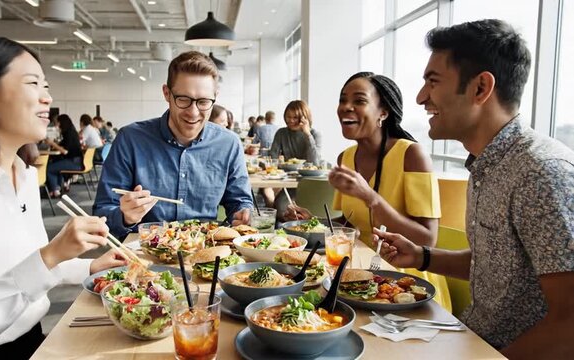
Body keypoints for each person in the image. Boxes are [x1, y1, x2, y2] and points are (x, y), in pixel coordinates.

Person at [373, 19, 574, 357]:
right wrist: (422, 256)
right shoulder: (487, 164)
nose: (421, 97)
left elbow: (569, 325)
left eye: (432, 82)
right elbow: (498, 265)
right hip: (469, 339)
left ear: (481, 88)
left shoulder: (541, 173)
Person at [0, 36, 124, 359]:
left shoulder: (21, 174)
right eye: (33, 83)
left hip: (33, 339)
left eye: (45, 86)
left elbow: (25, 267)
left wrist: (89, 265)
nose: (47, 98)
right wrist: (52, 253)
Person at [283, 73, 451, 312]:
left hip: (405, 284)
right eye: (342, 100)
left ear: (383, 112)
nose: (346, 107)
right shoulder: (345, 158)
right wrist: (312, 221)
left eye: (359, 101)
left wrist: (371, 198)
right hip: (359, 276)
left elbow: (427, 239)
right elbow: (348, 223)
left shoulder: (412, 155)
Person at [93, 51, 253, 237]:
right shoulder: (130, 139)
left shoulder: (228, 143)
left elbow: (239, 201)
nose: (193, 113)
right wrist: (124, 217)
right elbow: (102, 212)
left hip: (205, 250)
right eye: (183, 100)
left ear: (215, 97)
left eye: (203, 102)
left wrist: (243, 213)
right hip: (143, 253)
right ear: (167, 94)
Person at [45, 114, 83, 197]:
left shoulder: (69, 133)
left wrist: (52, 143)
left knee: (49, 168)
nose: (57, 124)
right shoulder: (71, 131)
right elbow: (64, 145)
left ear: (61, 123)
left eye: (57, 122)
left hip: (74, 162)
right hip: (77, 161)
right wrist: (56, 144)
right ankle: (57, 188)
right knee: (55, 165)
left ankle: (55, 190)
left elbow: (65, 151)